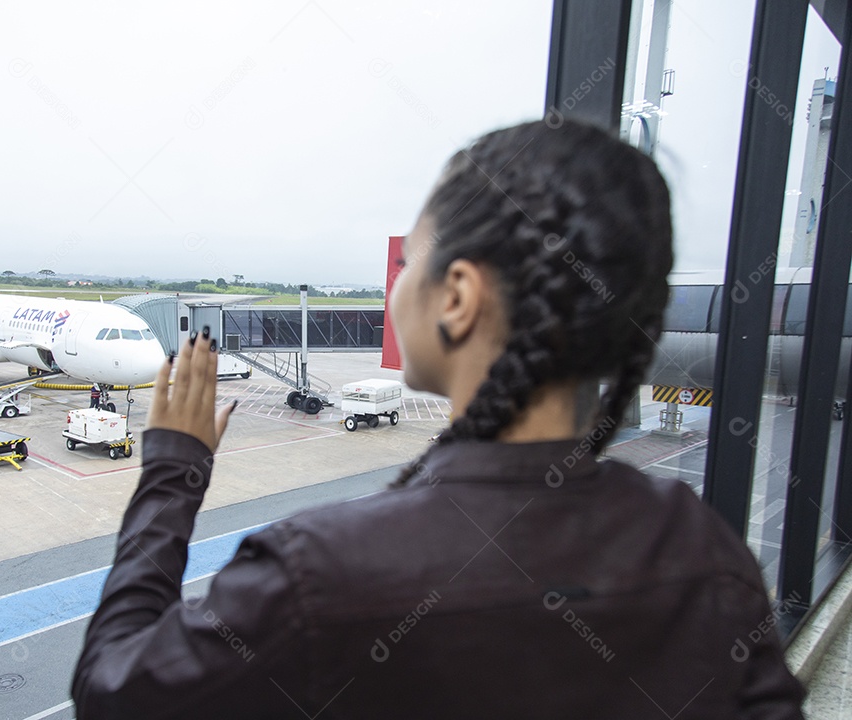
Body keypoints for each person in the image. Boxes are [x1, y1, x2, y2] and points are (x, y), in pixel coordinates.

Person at [72, 121, 805, 718]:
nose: (395, 289)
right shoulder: (702, 544)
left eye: (405, 267)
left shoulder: (318, 573)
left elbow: (112, 688)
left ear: (457, 297)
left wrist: (172, 470)